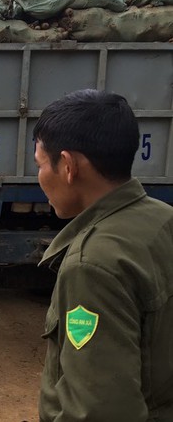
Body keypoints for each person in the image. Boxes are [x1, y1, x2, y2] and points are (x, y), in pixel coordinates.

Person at [33, 89, 173, 421]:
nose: (39, 177)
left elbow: (102, 410)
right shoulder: (163, 219)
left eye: (40, 164)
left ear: (68, 166)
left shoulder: (92, 265)